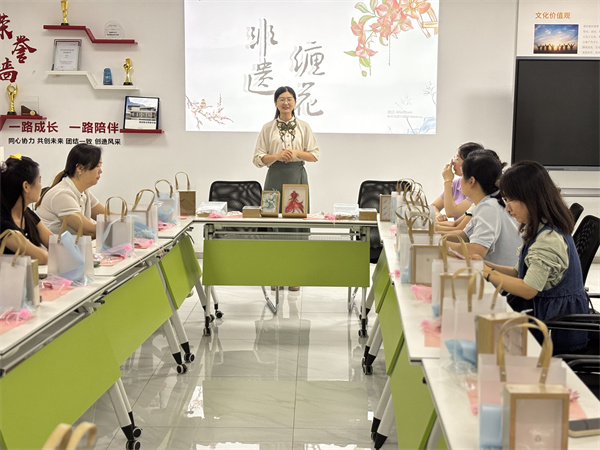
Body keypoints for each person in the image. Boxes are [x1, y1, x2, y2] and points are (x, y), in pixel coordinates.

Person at [481, 161, 589, 353]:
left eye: (511, 200)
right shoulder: (540, 226)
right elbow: (518, 272)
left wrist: (489, 274)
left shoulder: (548, 239)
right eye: (505, 200)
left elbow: (528, 289)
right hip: (543, 316)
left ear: (531, 198)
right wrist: (485, 265)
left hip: (554, 330)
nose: (507, 207)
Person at [252, 86, 320, 292]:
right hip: (274, 177)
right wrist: (277, 156)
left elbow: (314, 155)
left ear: (295, 102)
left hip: (297, 178)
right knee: (273, 225)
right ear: (275, 103)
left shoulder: (304, 127)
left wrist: (296, 153)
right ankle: (275, 274)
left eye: (289, 99)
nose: (286, 103)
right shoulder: (267, 128)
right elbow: (257, 159)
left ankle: (294, 275)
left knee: (296, 227)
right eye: (281, 99)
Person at [446, 150, 521, 266]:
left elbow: (476, 251)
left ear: (471, 181)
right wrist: (433, 237)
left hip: (499, 275)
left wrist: (439, 244)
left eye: (463, 176)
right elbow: (464, 236)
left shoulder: (489, 207)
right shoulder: (487, 202)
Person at [36, 144, 105, 238]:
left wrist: (123, 221)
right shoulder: (62, 194)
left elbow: (107, 216)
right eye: (97, 166)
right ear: (79, 168)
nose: (100, 171)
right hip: (53, 247)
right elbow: (89, 231)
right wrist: (119, 227)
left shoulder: (84, 192)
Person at [0, 154, 52, 264]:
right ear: (26, 186)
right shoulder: (3, 223)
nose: (40, 186)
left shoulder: (27, 213)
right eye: (39, 181)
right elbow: (42, 257)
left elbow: (54, 243)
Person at [431, 142, 484, 222]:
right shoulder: (457, 183)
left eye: (457, 159)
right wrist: (438, 215)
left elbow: (451, 212)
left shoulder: (478, 187)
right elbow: (433, 206)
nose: (453, 162)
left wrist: (447, 181)